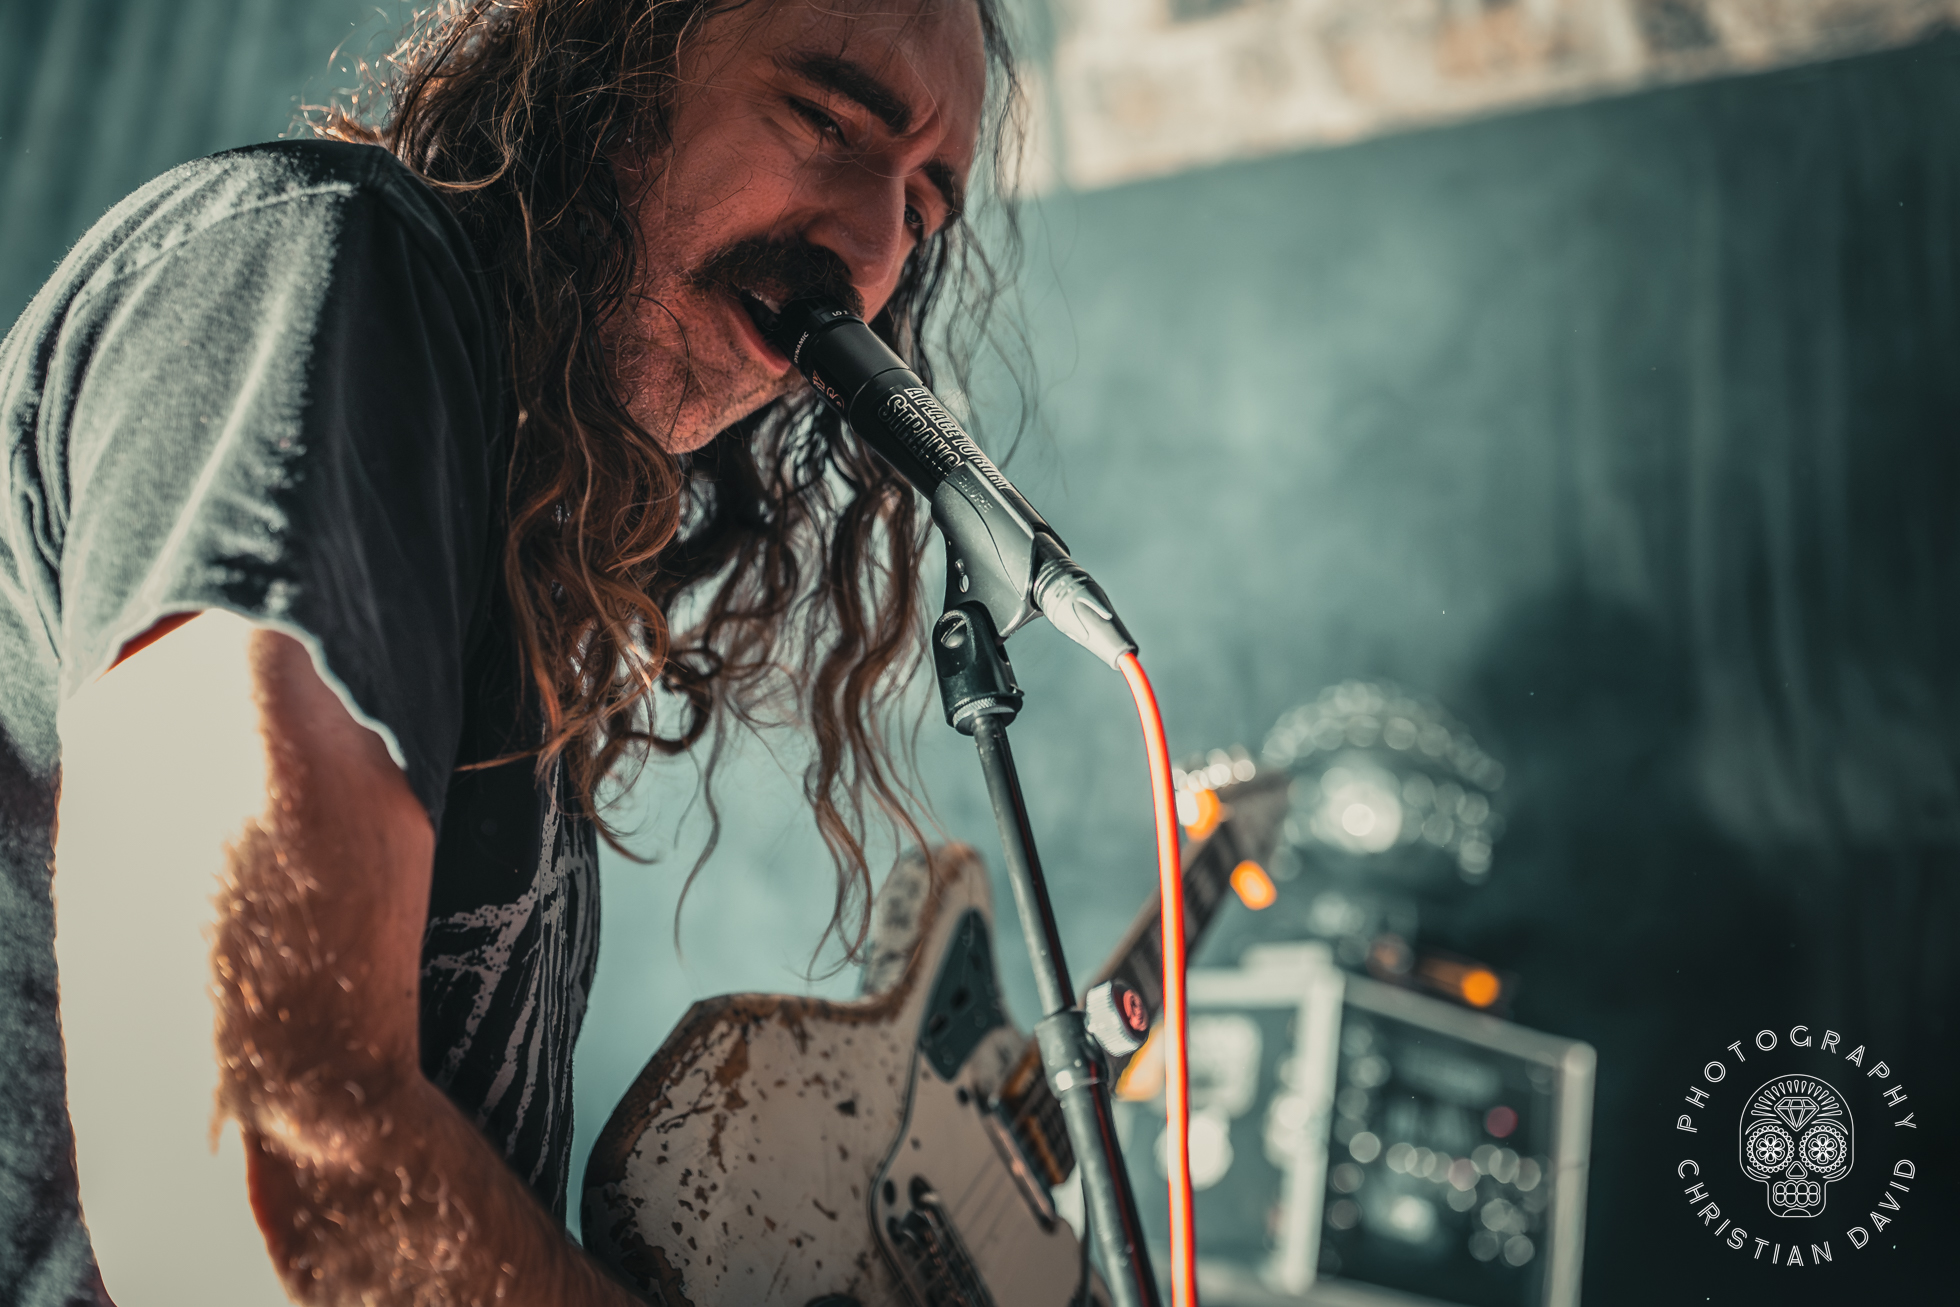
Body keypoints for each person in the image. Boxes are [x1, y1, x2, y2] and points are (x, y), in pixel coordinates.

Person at [0, 0, 1016, 1301]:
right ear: (611, 54)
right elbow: (263, 1168)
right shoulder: (334, 266)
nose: (874, 249)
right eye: (825, 119)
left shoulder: (509, 563)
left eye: (923, 211)